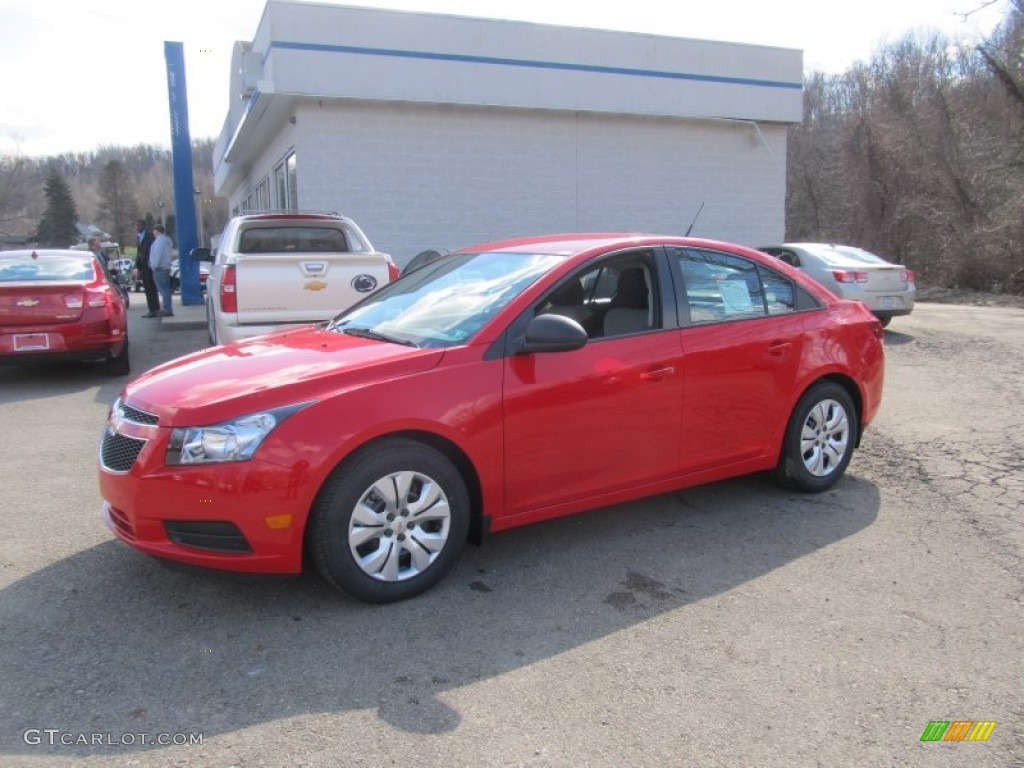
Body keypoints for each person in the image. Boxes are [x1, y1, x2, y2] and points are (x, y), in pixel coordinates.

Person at [135, 219, 159, 318]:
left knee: (151, 288)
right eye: (136, 226)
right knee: (148, 289)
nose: (137, 228)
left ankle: (155, 309)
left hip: (149, 266)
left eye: (139, 226)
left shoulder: (149, 236)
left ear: (144, 226)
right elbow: (139, 253)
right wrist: (138, 267)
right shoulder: (139, 237)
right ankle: (151, 309)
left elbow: (147, 252)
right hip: (143, 267)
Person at [149, 225, 175, 317]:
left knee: (163, 290)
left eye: (154, 231)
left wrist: (153, 266)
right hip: (166, 267)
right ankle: (168, 308)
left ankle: (167, 309)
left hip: (160, 268)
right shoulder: (168, 241)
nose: (153, 233)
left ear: (157, 231)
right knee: (166, 289)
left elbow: (157, 255)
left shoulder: (159, 241)